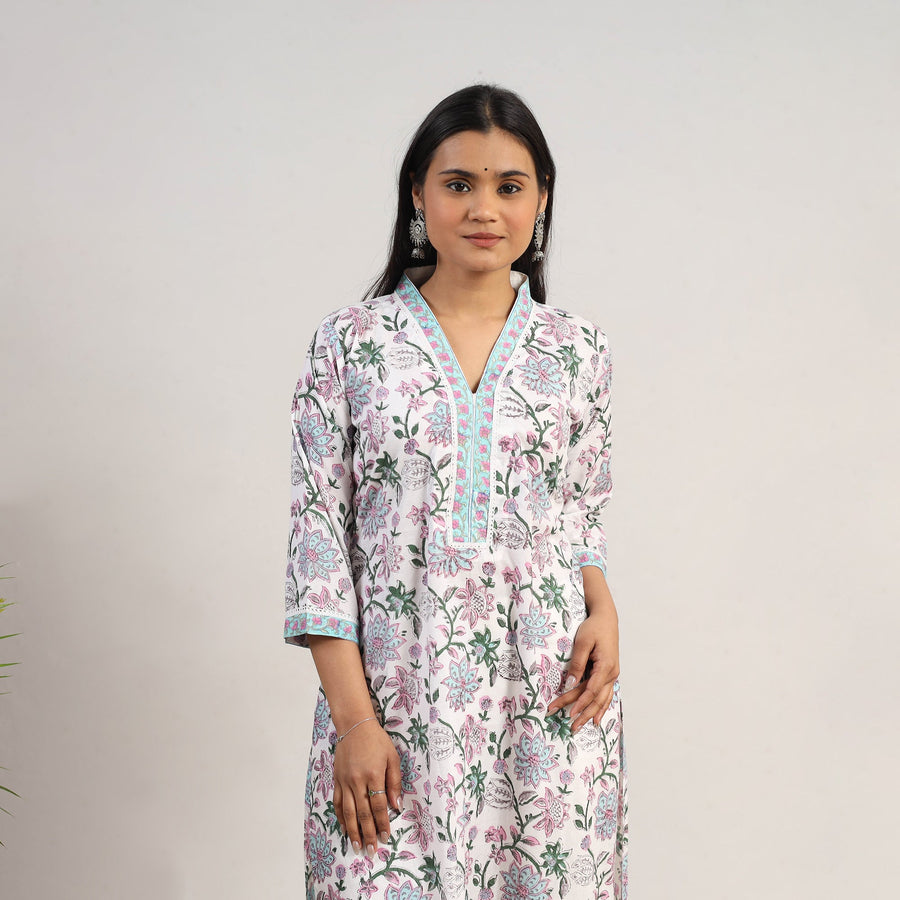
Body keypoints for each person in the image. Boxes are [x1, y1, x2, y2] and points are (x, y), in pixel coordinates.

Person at [285, 84, 628, 900]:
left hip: (547, 709)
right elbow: (318, 539)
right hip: (394, 711)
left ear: (541, 199)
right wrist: (355, 723)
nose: (484, 208)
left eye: (509, 186)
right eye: (458, 184)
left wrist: (605, 609)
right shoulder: (351, 344)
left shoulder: (578, 351)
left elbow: (579, 512)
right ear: (418, 194)